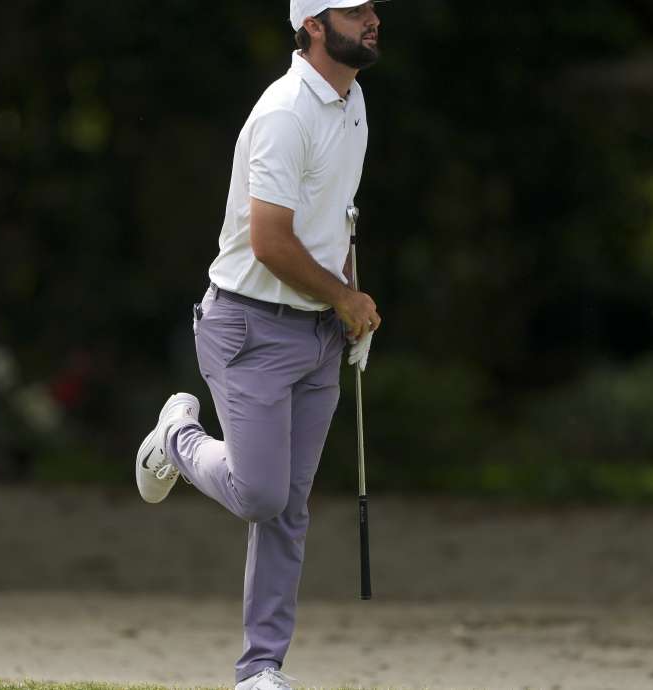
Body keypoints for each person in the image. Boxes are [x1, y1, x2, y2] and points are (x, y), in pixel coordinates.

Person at [134, 2, 385, 689]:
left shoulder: (353, 101)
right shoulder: (284, 113)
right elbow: (271, 241)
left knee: (289, 507)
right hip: (248, 325)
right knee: (259, 495)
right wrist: (342, 297)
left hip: (319, 332)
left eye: (372, 9)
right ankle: (178, 438)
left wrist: (352, 307)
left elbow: (338, 224)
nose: (372, 20)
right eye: (355, 11)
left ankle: (259, 671)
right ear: (311, 26)